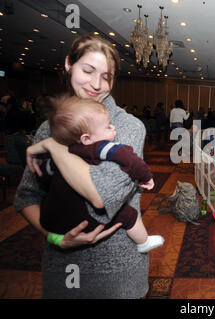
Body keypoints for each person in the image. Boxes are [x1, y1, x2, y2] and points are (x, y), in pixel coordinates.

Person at [14, 34, 149, 298]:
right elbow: (27, 197)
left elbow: (101, 195)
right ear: (68, 65)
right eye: (88, 70)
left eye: (107, 76)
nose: (96, 84)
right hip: (61, 266)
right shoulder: (46, 129)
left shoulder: (126, 126)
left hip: (117, 270)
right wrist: (56, 239)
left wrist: (55, 146)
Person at [37, 95, 164, 253]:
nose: (113, 128)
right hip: (85, 220)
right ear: (87, 138)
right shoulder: (100, 147)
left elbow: (42, 176)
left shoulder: (60, 154)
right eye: (108, 126)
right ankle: (143, 242)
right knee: (128, 213)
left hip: (53, 221)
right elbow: (130, 159)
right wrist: (146, 177)